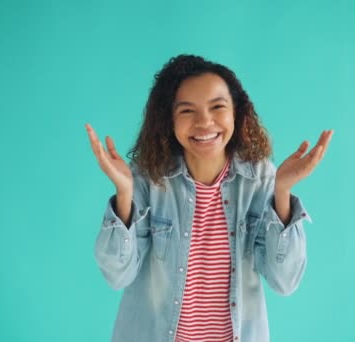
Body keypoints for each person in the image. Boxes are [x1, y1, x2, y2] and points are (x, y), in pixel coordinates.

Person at [85, 54, 333, 342]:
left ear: (237, 113)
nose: (205, 122)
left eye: (217, 107)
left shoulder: (261, 178)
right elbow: (117, 275)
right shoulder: (147, 178)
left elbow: (285, 281)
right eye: (187, 111)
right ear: (169, 119)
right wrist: (125, 192)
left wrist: (282, 192)